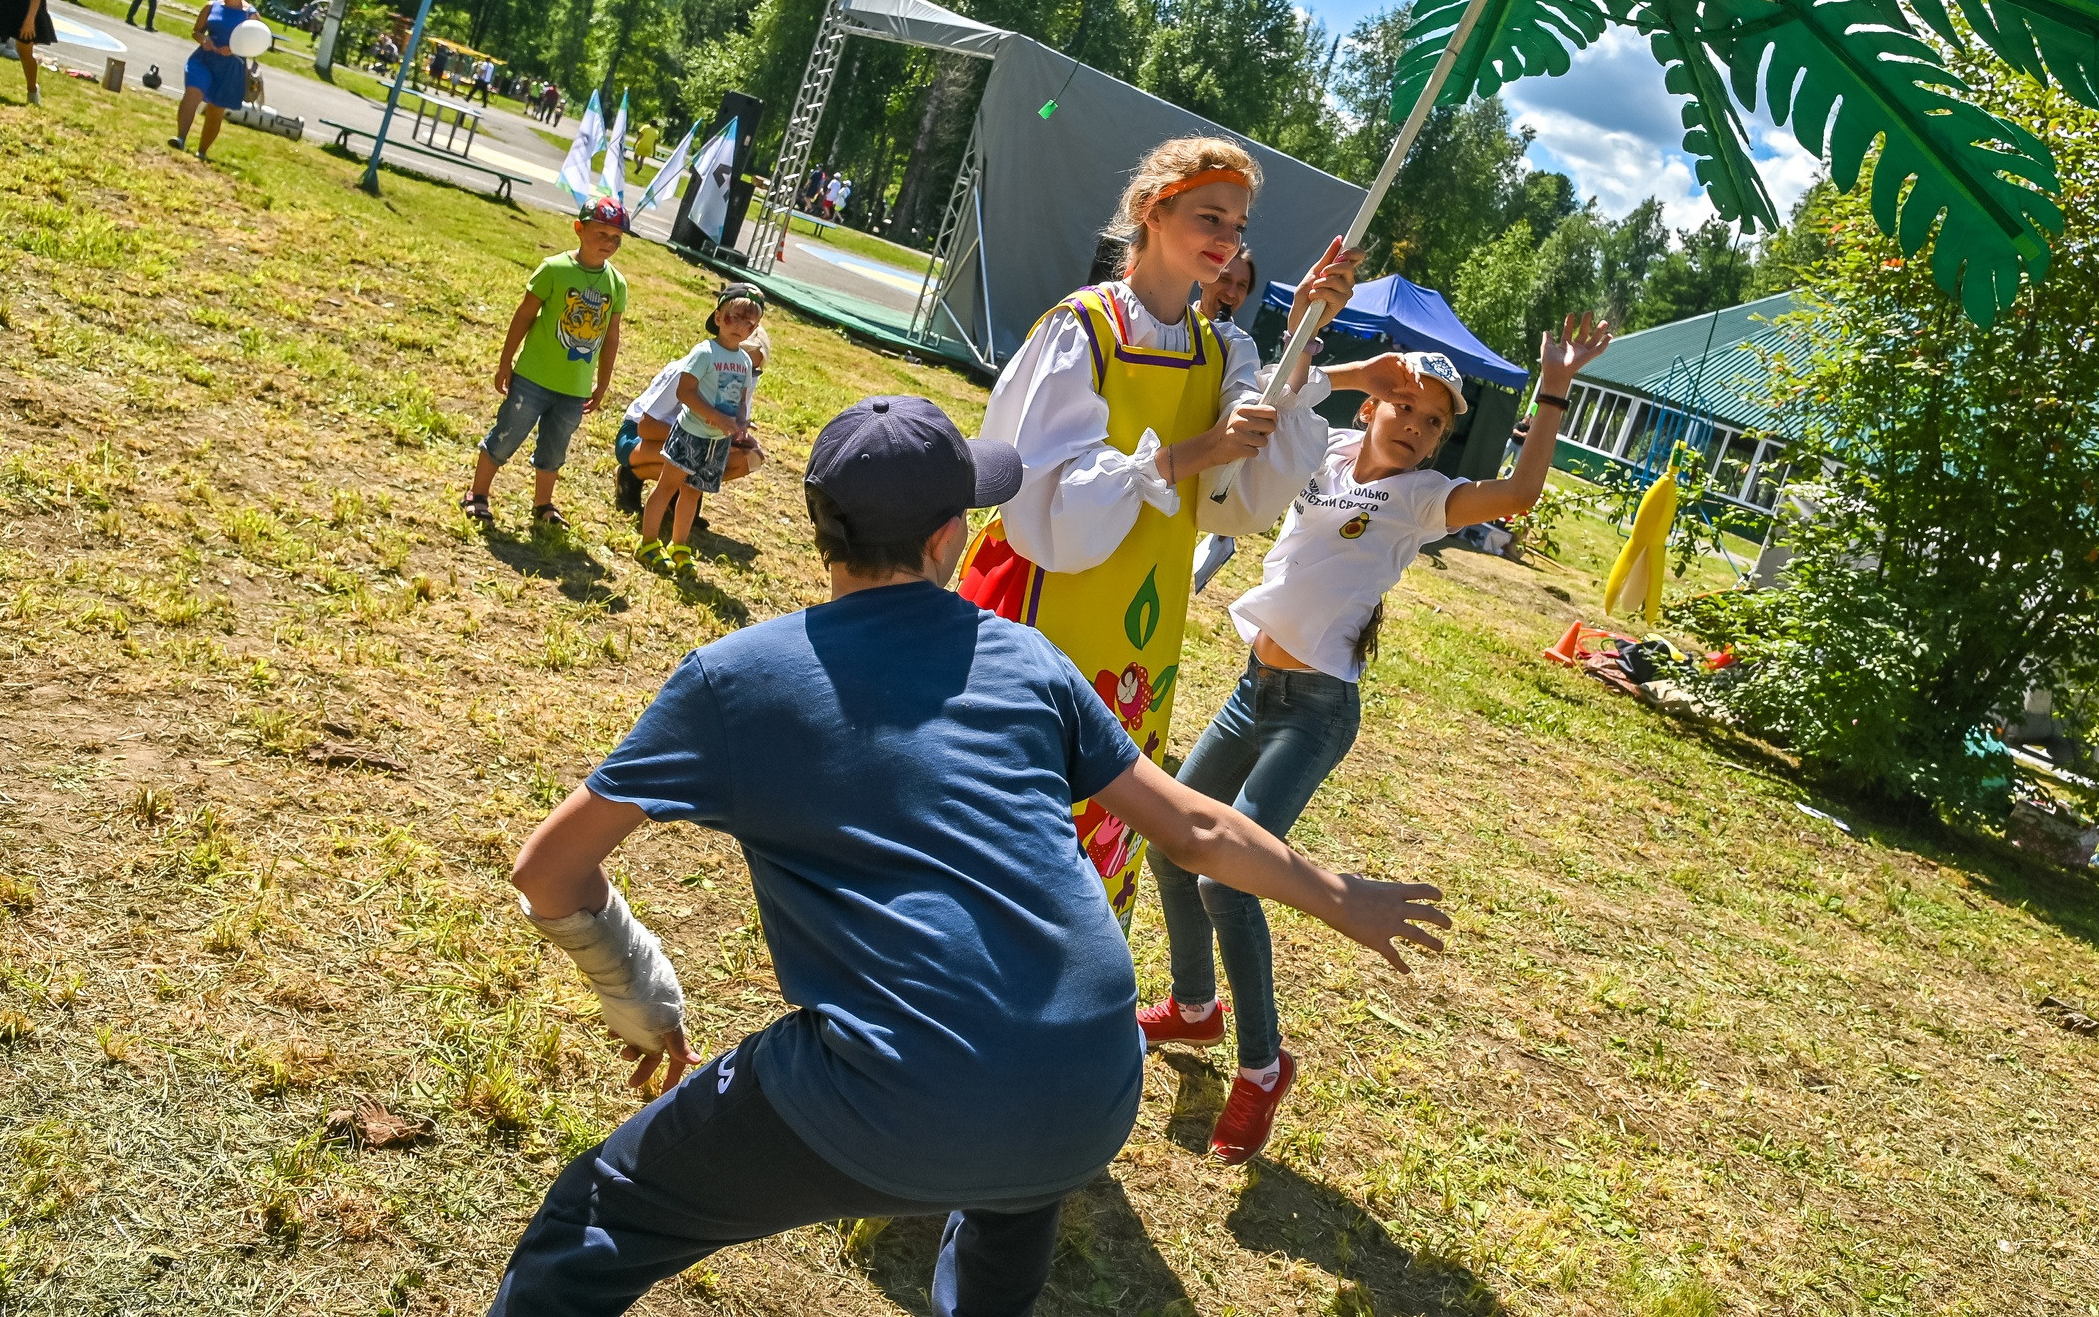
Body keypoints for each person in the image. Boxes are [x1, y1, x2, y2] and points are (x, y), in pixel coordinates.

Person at [489, 395, 1447, 1312]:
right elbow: (1194, 828)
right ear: (950, 537)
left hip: (898, 1089)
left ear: (820, 526)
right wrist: (1340, 896)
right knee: (1010, 1190)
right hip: (1091, 1083)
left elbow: (548, 871)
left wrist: (642, 992)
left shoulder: (735, 679)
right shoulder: (1029, 659)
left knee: (599, 1215)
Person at [1145, 317, 1611, 1161]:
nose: (1415, 422)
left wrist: (1553, 388)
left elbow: (1516, 496)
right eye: (1403, 402)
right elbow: (1281, 399)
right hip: (1254, 690)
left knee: (1228, 876)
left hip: (1314, 711)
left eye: (1434, 418)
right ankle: (1194, 1006)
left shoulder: (1421, 498)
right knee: (1172, 849)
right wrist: (1357, 367)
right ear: (1374, 406)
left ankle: (1261, 1068)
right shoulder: (1321, 455)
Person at [960, 137, 1377, 926]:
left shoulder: (1217, 351)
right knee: (1008, 810)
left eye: (1239, 223)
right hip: (1045, 601)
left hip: (1141, 623)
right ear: (1154, 213)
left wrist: (1313, 321)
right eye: (1207, 215)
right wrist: (1193, 453)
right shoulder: (1081, 332)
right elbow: (1043, 504)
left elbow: (1234, 502)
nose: (1226, 236)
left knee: (1102, 819)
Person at [462, 200, 630, 527]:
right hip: (532, 379)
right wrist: (505, 361)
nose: (609, 243)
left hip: (574, 388)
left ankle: (543, 504)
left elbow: (611, 336)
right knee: (506, 435)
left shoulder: (617, 284)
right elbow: (524, 315)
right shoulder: (554, 269)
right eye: (602, 233)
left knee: (555, 450)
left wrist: (603, 382)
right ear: (579, 229)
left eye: (616, 237)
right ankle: (477, 493)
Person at [638, 284, 765, 577]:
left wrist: (741, 424)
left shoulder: (745, 361)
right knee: (667, 487)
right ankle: (648, 542)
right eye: (734, 317)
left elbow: (742, 400)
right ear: (719, 317)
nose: (740, 327)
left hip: (717, 442)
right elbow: (686, 392)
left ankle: (679, 545)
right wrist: (716, 417)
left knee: (693, 493)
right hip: (690, 434)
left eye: (749, 323)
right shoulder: (704, 352)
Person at [615, 325, 769, 516]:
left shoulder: (741, 383)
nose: (746, 374)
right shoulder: (687, 371)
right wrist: (701, 435)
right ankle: (633, 475)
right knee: (694, 456)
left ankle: (682, 493)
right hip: (636, 437)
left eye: (754, 371)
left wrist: (739, 437)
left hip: (688, 441)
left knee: (750, 459)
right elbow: (646, 427)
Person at [1186, 244, 1262, 593]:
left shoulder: (1240, 345)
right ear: (1204, 278)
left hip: (1192, 466)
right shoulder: (1171, 321)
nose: (1230, 292)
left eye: (1241, 286)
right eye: (1224, 278)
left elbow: (1243, 395)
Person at [169, 0, 256, 158]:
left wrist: (235, 49)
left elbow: (257, 44)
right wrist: (204, 40)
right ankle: (180, 138)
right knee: (193, 93)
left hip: (230, 67)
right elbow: (196, 31)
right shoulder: (211, 6)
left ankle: (202, 151)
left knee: (215, 111)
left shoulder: (250, 15)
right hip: (204, 59)